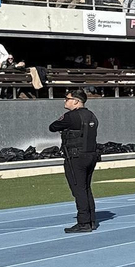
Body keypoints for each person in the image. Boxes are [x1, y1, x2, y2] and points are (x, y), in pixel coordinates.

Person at [49, 89, 100, 233]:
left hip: (76, 157)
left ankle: (83, 222)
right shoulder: (92, 115)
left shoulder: (71, 116)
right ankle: (91, 220)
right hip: (91, 155)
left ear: (76, 101)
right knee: (86, 188)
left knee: (79, 190)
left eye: (67, 99)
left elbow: (52, 127)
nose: (65, 101)